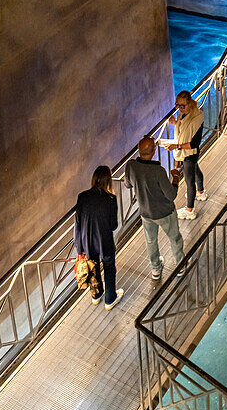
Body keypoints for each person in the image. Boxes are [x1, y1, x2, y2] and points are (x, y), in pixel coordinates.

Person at [124, 135, 184, 280]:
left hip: (145, 213)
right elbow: (171, 195)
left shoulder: (130, 166)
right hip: (164, 212)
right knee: (174, 238)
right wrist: (175, 178)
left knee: (151, 241)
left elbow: (128, 184)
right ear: (153, 152)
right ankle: (180, 266)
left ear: (139, 150)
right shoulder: (158, 171)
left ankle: (156, 269)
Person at [74, 165, 123, 309]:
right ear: (108, 180)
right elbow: (113, 225)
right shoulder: (111, 199)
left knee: (93, 267)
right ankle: (110, 299)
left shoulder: (82, 196)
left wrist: (79, 247)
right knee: (109, 267)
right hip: (104, 241)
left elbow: (78, 224)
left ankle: (96, 295)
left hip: (87, 241)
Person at [166, 91, 206, 220]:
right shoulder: (183, 114)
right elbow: (183, 128)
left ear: (189, 103)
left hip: (190, 153)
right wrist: (174, 122)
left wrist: (176, 146)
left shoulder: (197, 118)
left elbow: (195, 143)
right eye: (177, 105)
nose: (179, 108)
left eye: (182, 106)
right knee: (196, 171)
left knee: (189, 182)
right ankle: (201, 193)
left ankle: (190, 211)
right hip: (188, 153)